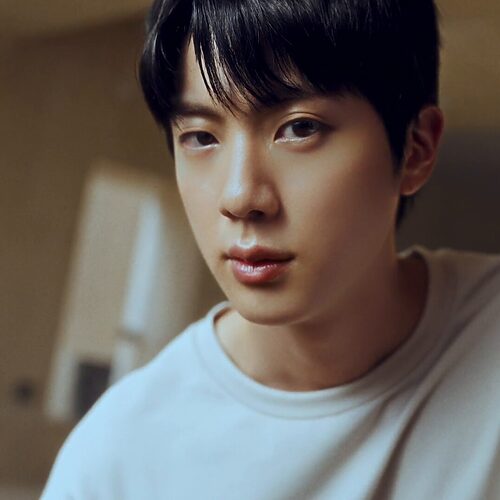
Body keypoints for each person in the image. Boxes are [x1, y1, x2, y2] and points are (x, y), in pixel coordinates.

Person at [42, 1, 500, 499]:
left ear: (416, 148)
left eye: (300, 128)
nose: (240, 196)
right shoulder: (116, 458)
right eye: (200, 137)